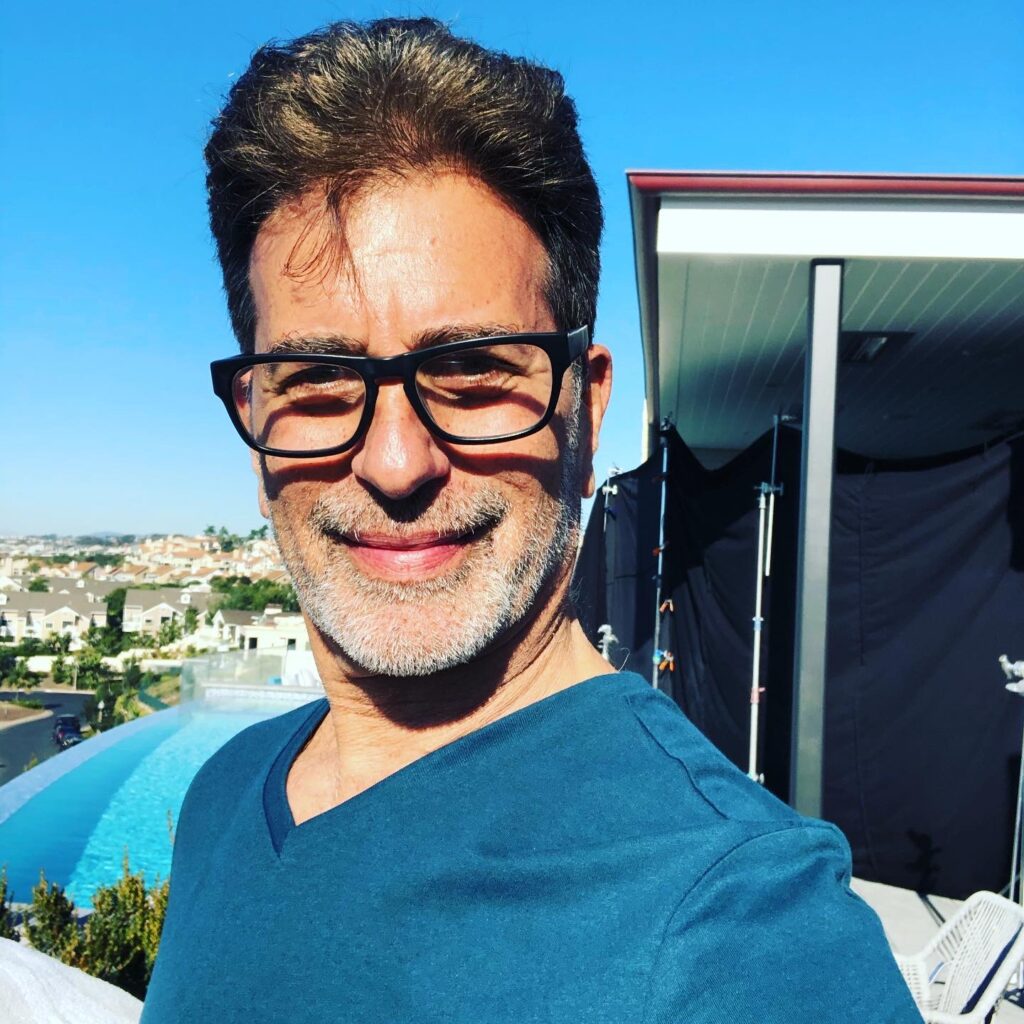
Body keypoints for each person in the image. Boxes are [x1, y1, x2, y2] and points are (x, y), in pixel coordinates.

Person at [141, 18, 920, 1022]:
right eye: (319, 381)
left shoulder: (745, 931)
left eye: (471, 372)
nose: (395, 463)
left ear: (584, 418)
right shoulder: (225, 795)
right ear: (257, 429)